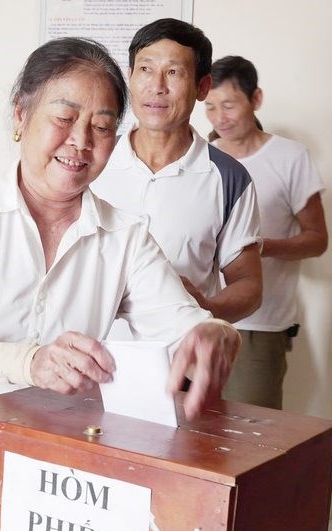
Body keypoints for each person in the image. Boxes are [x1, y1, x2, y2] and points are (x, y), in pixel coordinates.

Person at [0, 37, 241, 531]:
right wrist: (30, 362)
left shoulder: (125, 236)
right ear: (21, 115)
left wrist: (215, 332)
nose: (81, 141)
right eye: (64, 118)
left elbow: (181, 324)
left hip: (43, 488)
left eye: (102, 127)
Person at [91, 18, 263, 329]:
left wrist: (206, 309)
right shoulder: (91, 158)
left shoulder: (229, 178)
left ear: (202, 87)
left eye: (173, 72)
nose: (156, 86)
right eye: (145, 69)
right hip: (86, 349)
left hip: (180, 351)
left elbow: (248, 284)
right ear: (130, 77)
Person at [205, 55, 328, 410]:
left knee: (250, 430)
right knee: (189, 427)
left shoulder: (291, 157)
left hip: (259, 323)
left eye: (229, 105)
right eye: (210, 107)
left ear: (255, 99)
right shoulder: (201, 157)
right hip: (197, 317)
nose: (219, 118)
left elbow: (317, 239)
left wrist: (258, 247)